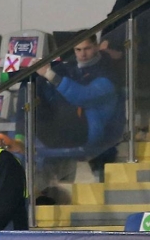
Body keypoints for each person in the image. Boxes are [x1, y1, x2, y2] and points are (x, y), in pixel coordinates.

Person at [10, 34, 122, 200]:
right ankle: (20, 138)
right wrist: (3, 77)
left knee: (45, 77)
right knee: (30, 83)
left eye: (87, 48)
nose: (82, 54)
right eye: (78, 50)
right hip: (63, 127)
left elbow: (82, 96)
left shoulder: (106, 74)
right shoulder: (72, 68)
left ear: (97, 47)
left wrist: (49, 75)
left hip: (87, 132)